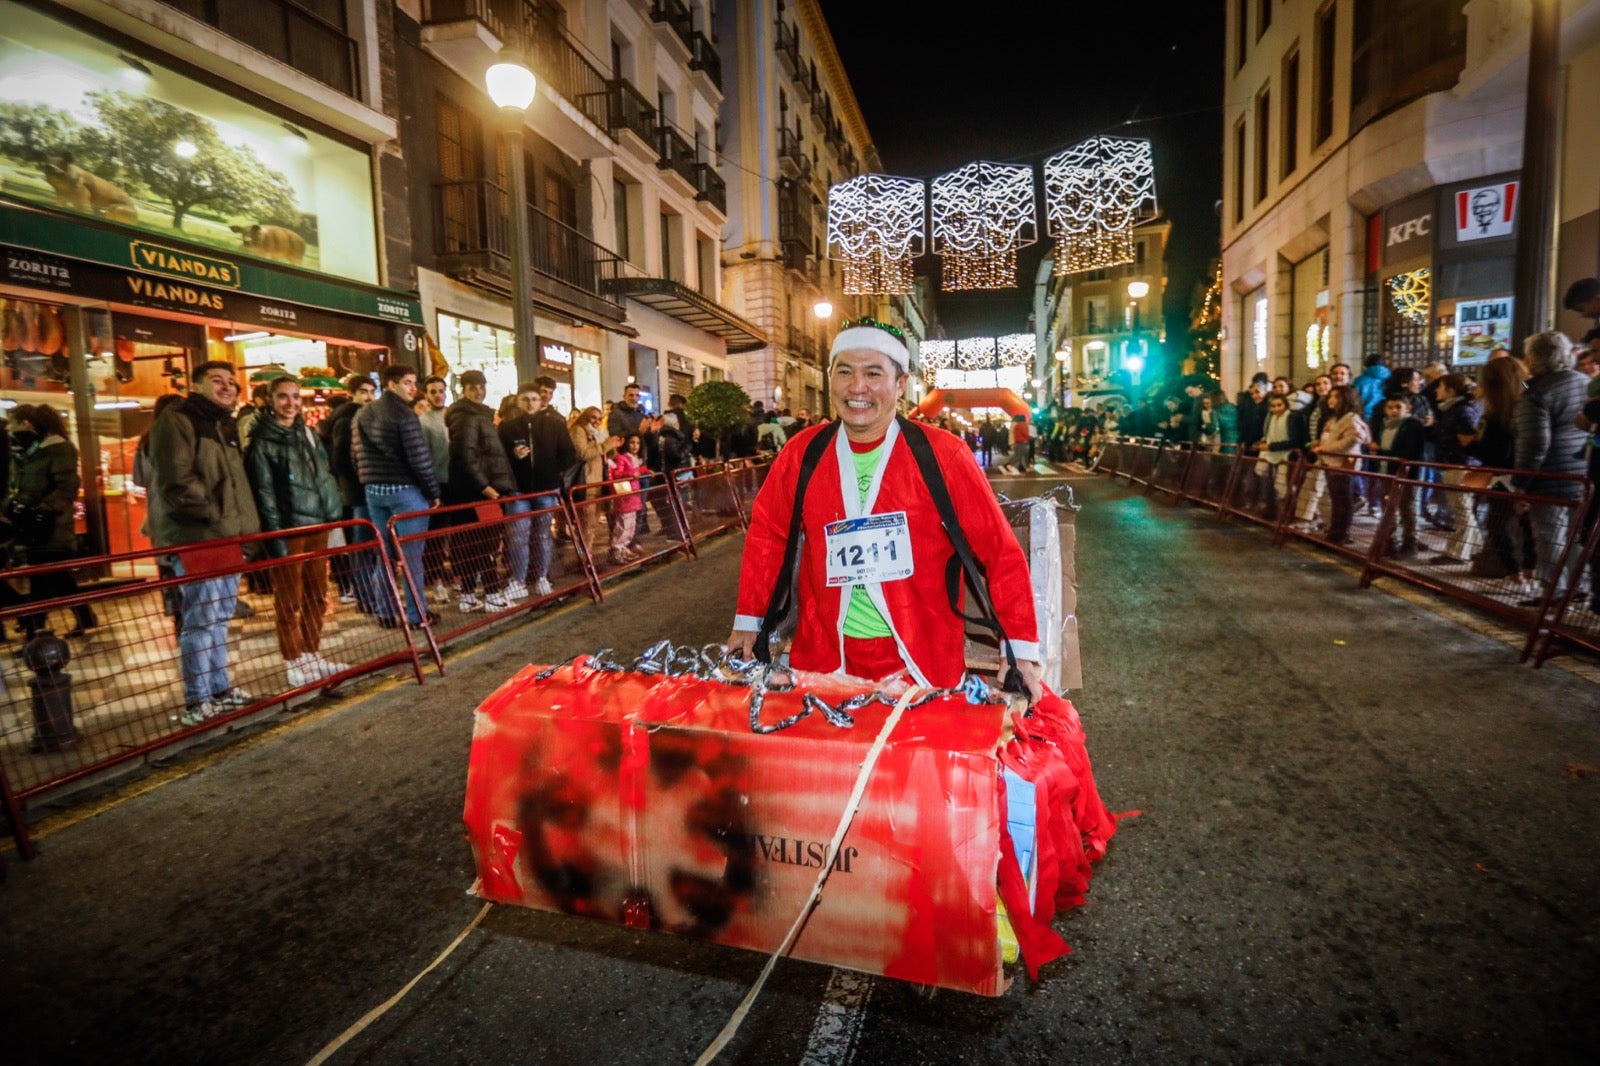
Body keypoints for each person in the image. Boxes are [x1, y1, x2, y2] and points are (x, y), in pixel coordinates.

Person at [726, 319, 1042, 701]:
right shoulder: (801, 453)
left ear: (900, 384)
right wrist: (748, 621)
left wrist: (1020, 647)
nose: (857, 387)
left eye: (873, 373)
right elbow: (768, 536)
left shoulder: (943, 455)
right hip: (824, 659)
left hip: (921, 663)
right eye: (845, 371)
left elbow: (999, 550)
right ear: (830, 380)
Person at [148, 360, 261, 724]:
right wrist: (213, 515)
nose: (227, 387)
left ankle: (220, 689)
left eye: (232, 382)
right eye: (217, 381)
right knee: (201, 619)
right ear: (196, 385)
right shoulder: (179, 419)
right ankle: (197, 700)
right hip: (200, 534)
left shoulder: (222, 422)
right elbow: (177, 479)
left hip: (226, 534)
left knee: (220, 616)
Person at [243, 376, 349, 688]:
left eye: (295, 397)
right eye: (282, 397)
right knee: (289, 599)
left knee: (317, 595)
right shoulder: (262, 441)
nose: (290, 403)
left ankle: (311, 653)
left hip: (318, 523)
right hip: (289, 530)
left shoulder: (307, 432)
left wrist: (333, 515)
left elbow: (323, 475)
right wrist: (275, 539)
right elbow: (264, 494)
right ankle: (293, 659)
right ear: (269, 400)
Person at [352, 364, 440, 629]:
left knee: (385, 555)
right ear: (392, 385)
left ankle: (386, 612)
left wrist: (368, 479)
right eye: (407, 382)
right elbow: (419, 459)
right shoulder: (404, 415)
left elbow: (355, 454)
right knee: (411, 557)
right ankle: (417, 616)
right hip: (405, 491)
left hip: (374, 491)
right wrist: (433, 492)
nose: (413, 388)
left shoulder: (363, 414)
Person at [5, 404, 96, 643]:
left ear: (26, 423)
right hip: (29, 526)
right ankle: (79, 618)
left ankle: (36, 635)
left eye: (13, 422)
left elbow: (67, 486)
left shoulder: (58, 449)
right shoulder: (24, 452)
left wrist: (43, 509)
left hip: (51, 527)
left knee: (44, 580)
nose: (10, 428)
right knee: (54, 579)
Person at [1513, 331, 1588, 606]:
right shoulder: (1585, 383)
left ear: (1533, 358)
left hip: (1550, 475)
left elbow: (1534, 441)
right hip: (1582, 471)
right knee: (1574, 536)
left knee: (1549, 537)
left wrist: (1521, 481)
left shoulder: (1537, 393)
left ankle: (1553, 592)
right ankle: (1577, 587)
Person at [446, 369, 522, 610]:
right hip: (478, 493)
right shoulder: (467, 416)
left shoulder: (478, 415)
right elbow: (463, 456)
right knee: (486, 544)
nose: (479, 391)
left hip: (478, 490)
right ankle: (491, 594)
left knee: (471, 544)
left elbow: (484, 454)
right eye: (472, 387)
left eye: (481, 386)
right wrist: (485, 487)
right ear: (463, 389)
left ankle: (469, 596)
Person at [500, 382, 576, 597]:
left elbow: (569, 454)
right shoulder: (507, 427)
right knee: (517, 537)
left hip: (546, 489)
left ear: (541, 401)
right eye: (525, 399)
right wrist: (515, 457)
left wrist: (553, 472)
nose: (530, 403)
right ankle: (518, 580)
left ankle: (541, 577)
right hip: (518, 490)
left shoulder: (555, 425)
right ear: (518, 401)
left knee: (543, 535)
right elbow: (500, 458)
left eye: (534, 399)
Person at [1467, 356, 1534, 590]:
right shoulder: (1529, 401)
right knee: (1527, 528)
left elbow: (1494, 453)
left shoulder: (1496, 415)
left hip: (1505, 479)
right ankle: (1527, 573)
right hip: (1531, 475)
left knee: (1498, 525)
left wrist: (1471, 443)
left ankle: (1518, 575)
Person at [322, 374, 377, 610]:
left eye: (372, 392)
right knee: (362, 544)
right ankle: (365, 596)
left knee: (365, 544)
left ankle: (366, 594)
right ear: (352, 394)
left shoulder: (361, 417)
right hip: (356, 492)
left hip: (358, 489)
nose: (369, 397)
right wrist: (361, 477)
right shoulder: (347, 420)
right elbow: (341, 460)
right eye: (364, 391)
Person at [1429, 373, 1483, 564]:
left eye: (1441, 387)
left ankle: (1458, 553)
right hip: (1455, 464)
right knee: (1462, 510)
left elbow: (1468, 440)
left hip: (1461, 466)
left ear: (1451, 390)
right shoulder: (1453, 410)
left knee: (1462, 511)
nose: (1437, 390)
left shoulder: (1461, 411)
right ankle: (1474, 550)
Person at [1307, 384, 1368, 545]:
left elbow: (1353, 439)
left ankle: (1340, 534)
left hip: (1343, 464)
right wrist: (1319, 445)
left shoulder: (1351, 419)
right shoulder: (1333, 419)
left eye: (1336, 397)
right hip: (1330, 463)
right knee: (1336, 499)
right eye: (1331, 396)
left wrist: (1324, 448)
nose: (1331, 400)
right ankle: (1335, 532)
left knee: (1343, 501)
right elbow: (1328, 436)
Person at [1373, 394, 1427, 558]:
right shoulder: (1384, 425)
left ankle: (1410, 542)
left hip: (1406, 474)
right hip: (1386, 472)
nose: (1394, 411)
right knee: (1388, 507)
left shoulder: (1412, 425)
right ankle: (1390, 541)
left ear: (1407, 408)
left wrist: (1380, 451)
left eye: (1398, 407)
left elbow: (1409, 451)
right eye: (1390, 407)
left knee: (1407, 507)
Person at [607, 434, 648, 563]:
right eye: (632, 442)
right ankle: (616, 549)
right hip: (625, 496)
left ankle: (624, 547)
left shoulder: (634, 458)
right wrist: (631, 474)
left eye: (637, 443)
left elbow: (637, 470)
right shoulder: (622, 458)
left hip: (633, 495)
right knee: (623, 525)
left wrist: (645, 471)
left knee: (631, 525)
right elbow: (617, 474)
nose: (635, 446)